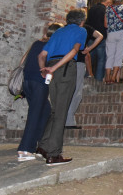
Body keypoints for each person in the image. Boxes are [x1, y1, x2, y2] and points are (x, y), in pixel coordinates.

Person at [36, 9, 87, 165]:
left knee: (55, 109)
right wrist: (55, 67)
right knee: (61, 111)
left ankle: (43, 146)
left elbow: (41, 55)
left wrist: (44, 69)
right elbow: (74, 51)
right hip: (65, 68)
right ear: (81, 21)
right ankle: (54, 154)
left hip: (51, 68)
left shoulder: (58, 32)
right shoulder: (81, 30)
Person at [16, 23, 63, 162]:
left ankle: (35, 143)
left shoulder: (37, 43)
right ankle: (24, 149)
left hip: (28, 81)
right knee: (35, 114)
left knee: (45, 110)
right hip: (38, 82)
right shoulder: (52, 45)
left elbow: (23, 60)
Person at [65, 23, 103, 129]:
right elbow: (100, 36)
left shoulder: (65, 28)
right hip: (78, 62)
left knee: (66, 90)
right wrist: (89, 49)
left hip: (64, 61)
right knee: (76, 91)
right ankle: (68, 120)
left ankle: (63, 120)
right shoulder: (84, 28)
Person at [105, 0, 123, 84]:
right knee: (118, 56)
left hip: (110, 33)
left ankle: (107, 77)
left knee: (109, 55)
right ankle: (113, 77)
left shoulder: (108, 8)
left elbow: (105, 24)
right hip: (121, 32)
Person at [86, 0, 111, 81]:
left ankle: (87, 77)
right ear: (108, 3)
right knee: (101, 59)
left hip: (91, 36)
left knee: (89, 58)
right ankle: (99, 80)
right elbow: (106, 24)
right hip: (101, 37)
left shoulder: (91, 8)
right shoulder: (106, 10)